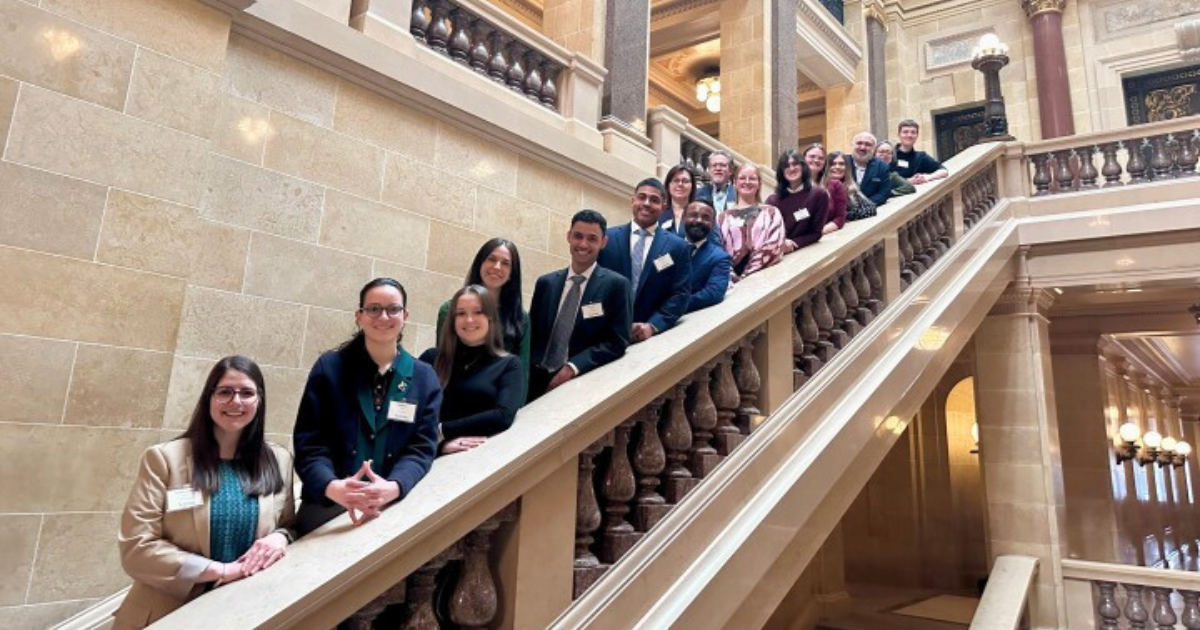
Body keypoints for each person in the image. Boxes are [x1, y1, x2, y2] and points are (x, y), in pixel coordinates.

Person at [115, 356, 294, 630]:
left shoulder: (279, 460)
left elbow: (288, 526)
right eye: (225, 392)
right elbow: (137, 548)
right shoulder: (165, 460)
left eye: (247, 393)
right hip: (170, 612)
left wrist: (281, 538)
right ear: (208, 398)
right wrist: (220, 571)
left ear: (260, 401)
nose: (236, 402)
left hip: (242, 612)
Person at [293, 278, 441, 535]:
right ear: (359, 316)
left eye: (393, 309)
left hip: (391, 505)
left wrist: (394, 486)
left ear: (405, 316)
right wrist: (333, 487)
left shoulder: (424, 377)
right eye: (373, 309)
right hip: (328, 504)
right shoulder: (329, 368)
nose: (383, 316)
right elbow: (309, 444)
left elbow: (421, 449)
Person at [527, 210, 632, 401]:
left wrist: (573, 367)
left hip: (579, 384)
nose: (583, 244)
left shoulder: (616, 285)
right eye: (578, 236)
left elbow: (616, 342)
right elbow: (531, 334)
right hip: (533, 382)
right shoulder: (546, 283)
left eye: (592, 238)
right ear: (569, 237)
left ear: (603, 242)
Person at [420, 286, 522, 455]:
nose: (469, 320)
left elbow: (502, 416)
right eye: (461, 313)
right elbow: (408, 411)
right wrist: (439, 445)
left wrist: (442, 431)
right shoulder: (431, 359)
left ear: (490, 317)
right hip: (425, 457)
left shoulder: (509, 365)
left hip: (477, 461)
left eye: (478, 312)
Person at [597, 178, 692, 342]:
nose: (647, 203)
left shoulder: (678, 247)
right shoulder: (607, 239)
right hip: (603, 335)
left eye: (654, 200)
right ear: (633, 201)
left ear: (663, 207)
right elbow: (593, 286)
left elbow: (680, 294)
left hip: (648, 339)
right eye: (642, 197)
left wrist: (653, 326)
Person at [434, 238, 530, 398]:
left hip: (499, 406)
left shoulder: (520, 317)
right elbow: (442, 362)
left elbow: (523, 374)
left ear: (512, 273)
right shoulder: (448, 310)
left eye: (505, 263)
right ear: (479, 263)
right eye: (491, 259)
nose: (497, 267)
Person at [718, 163, 786, 282]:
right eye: (742, 178)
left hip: (764, 278)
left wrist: (747, 274)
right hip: (731, 283)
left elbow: (774, 245)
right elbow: (718, 250)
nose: (747, 182)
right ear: (735, 182)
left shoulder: (772, 212)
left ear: (759, 184)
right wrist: (732, 277)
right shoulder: (723, 217)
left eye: (752, 178)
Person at [766, 149, 830, 254]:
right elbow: (770, 233)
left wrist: (793, 243)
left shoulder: (819, 195)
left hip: (806, 252)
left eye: (795, 164)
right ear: (781, 171)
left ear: (803, 166)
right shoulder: (772, 201)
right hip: (779, 253)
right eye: (786, 166)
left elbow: (816, 232)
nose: (791, 168)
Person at [681, 200, 731, 312]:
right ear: (684, 218)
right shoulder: (669, 247)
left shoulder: (720, 257)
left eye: (706, 217)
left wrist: (674, 306)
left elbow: (714, 293)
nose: (699, 221)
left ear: (713, 224)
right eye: (694, 215)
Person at [804, 143, 846, 234]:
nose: (816, 160)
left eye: (821, 158)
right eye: (812, 156)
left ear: (825, 163)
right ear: (803, 159)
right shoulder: (795, 186)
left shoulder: (836, 185)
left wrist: (818, 233)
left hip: (827, 237)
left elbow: (840, 218)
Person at [827, 150, 878, 222]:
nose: (837, 167)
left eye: (841, 164)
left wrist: (846, 215)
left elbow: (871, 209)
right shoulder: (821, 189)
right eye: (833, 164)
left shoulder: (851, 187)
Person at [894, 119, 948, 184]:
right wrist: (908, 181)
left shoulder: (921, 157)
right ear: (899, 135)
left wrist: (927, 177)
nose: (909, 135)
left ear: (917, 136)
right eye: (905, 132)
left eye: (913, 132)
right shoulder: (890, 156)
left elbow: (944, 171)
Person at [849, 132, 893, 207]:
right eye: (859, 143)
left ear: (874, 148)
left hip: (870, 211)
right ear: (852, 145)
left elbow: (884, 193)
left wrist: (864, 205)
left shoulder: (882, 166)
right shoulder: (843, 163)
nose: (862, 147)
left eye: (868, 144)